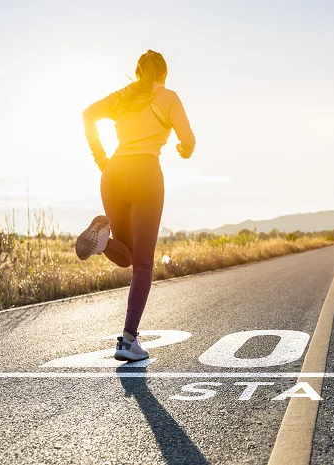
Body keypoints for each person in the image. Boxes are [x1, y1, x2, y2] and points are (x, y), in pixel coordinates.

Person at [76, 49, 195, 361]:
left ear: (138, 72)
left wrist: (102, 159)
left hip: (113, 172)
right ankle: (129, 341)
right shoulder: (168, 96)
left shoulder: (123, 96)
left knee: (125, 255)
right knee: (142, 263)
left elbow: (87, 115)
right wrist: (183, 149)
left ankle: (102, 242)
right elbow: (189, 141)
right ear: (163, 74)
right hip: (145, 173)